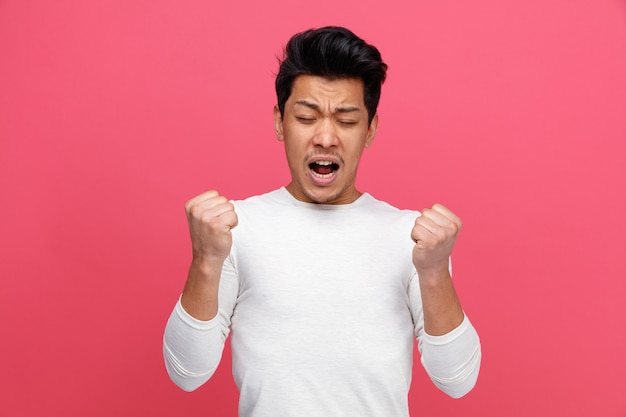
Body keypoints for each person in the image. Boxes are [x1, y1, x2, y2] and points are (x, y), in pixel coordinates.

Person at [163, 26, 481, 416]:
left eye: (346, 121)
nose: (326, 137)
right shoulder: (234, 231)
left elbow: (458, 379)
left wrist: (434, 273)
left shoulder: (412, 239)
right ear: (280, 122)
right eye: (306, 117)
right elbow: (186, 371)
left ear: (371, 130)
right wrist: (205, 260)